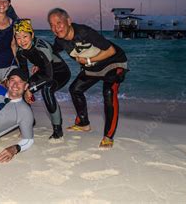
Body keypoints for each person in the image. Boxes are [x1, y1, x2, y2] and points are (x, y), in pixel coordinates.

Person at [48, 8, 128, 148]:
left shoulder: (84, 32)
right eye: (52, 25)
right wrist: (40, 64)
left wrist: (89, 61)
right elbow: (50, 53)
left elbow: (111, 50)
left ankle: (108, 136)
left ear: (68, 21)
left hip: (114, 62)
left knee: (109, 92)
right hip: (92, 67)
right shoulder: (60, 41)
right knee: (75, 89)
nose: (56, 28)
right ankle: (83, 123)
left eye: (59, 23)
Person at [14, 18, 71, 139]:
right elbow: (24, 73)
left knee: (47, 89)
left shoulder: (41, 46)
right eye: (18, 38)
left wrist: (31, 88)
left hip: (60, 72)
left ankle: (57, 130)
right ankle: (29, 122)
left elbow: (49, 76)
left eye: (25, 36)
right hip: (44, 70)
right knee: (22, 89)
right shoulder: (20, 52)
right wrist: (25, 87)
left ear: (32, 35)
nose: (22, 41)